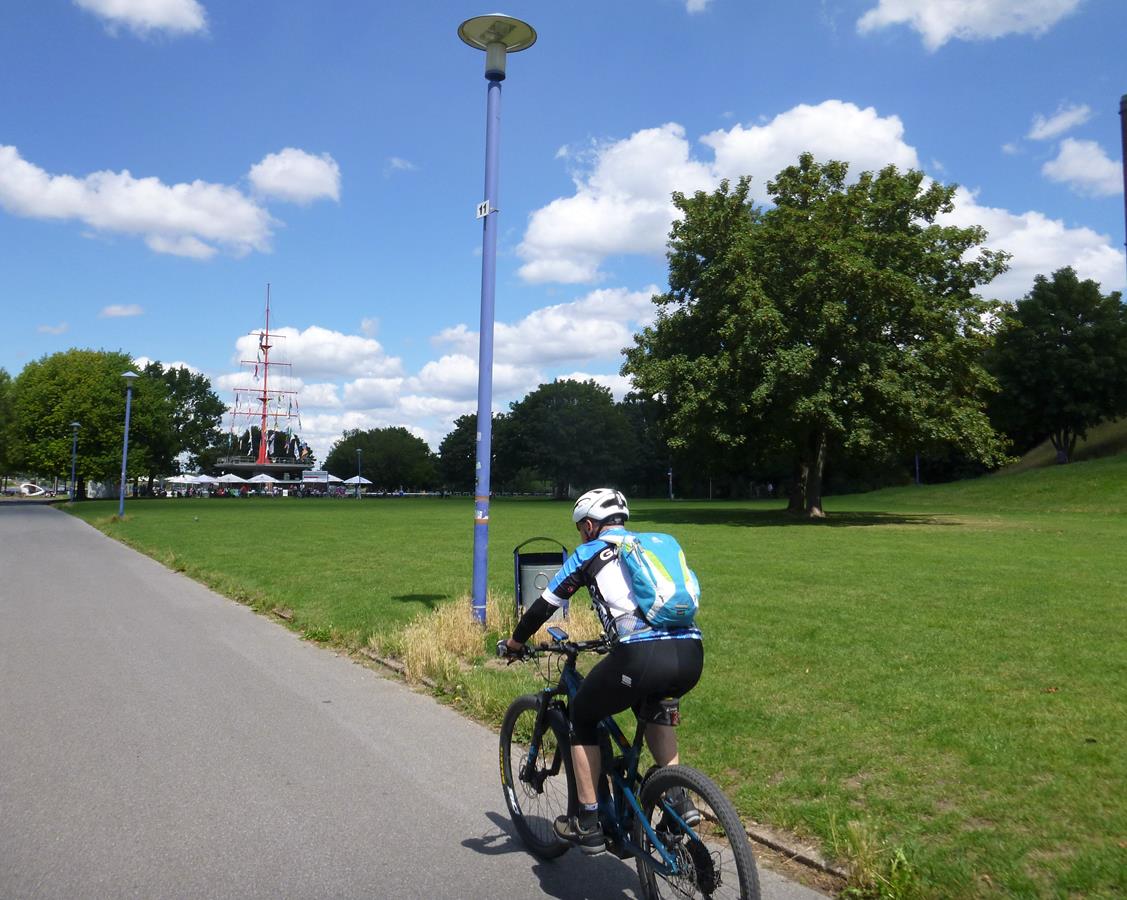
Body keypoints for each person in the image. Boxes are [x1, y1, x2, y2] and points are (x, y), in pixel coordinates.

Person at [499, 488, 704, 854]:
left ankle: (588, 821)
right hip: (690, 652)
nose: (581, 535)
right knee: (655, 706)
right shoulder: (649, 545)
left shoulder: (589, 552)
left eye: (581, 529)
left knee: (582, 714)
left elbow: (543, 606)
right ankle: (678, 800)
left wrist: (515, 643)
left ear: (590, 526)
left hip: (640, 656)